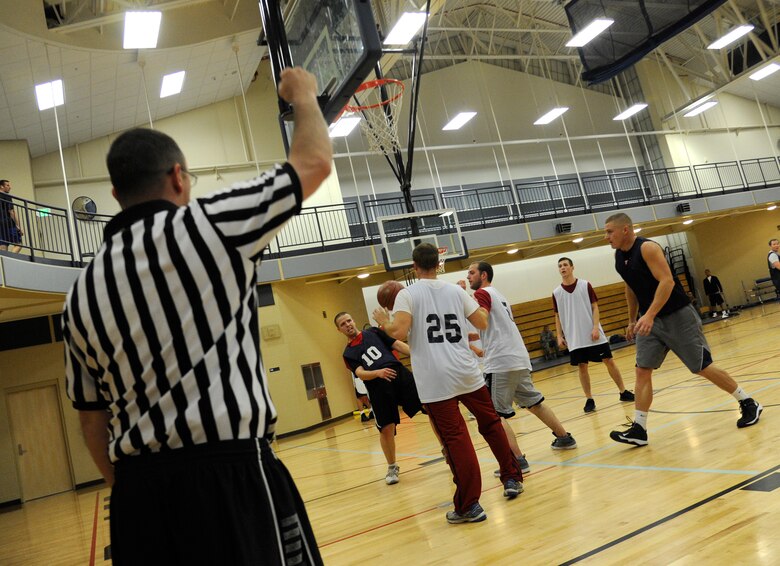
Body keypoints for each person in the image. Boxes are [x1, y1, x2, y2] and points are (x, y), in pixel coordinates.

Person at [62, 68, 330, 565]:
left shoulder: (78, 293)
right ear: (179, 178)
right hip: (228, 477)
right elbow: (312, 162)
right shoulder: (209, 225)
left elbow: (90, 418)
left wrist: (136, 487)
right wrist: (304, 96)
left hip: (137, 501)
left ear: (117, 195)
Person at [373, 243, 523, 525]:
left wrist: (384, 321)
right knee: (491, 424)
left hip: (435, 378)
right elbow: (482, 321)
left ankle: (469, 505)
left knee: (456, 440)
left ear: (414, 266)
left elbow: (399, 331)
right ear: (438, 265)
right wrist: (467, 297)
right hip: (466, 371)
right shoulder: (456, 291)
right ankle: (512, 477)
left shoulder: (407, 294)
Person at [604, 213, 763, 446]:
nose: (606, 237)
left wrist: (648, 314)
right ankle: (640, 428)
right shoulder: (619, 257)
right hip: (651, 321)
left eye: (609, 232)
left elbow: (667, 281)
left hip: (677, 315)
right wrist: (631, 320)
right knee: (642, 371)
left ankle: (748, 402)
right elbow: (631, 289)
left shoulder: (647, 248)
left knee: (701, 366)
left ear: (625, 229)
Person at [464, 261, 577, 476]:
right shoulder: (499, 295)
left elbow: (484, 321)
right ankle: (564, 437)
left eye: (472, 273)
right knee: (535, 403)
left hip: (500, 361)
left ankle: (516, 460)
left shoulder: (481, 295)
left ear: (484, 275)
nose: (468, 277)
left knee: (494, 416)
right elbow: (498, 327)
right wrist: (471, 335)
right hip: (518, 357)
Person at [335, 312, 423, 485]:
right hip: (377, 386)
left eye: (349, 320)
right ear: (339, 330)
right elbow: (360, 373)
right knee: (386, 428)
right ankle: (392, 466)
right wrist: (377, 373)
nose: (348, 324)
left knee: (428, 407)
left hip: (398, 374)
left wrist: (418, 355)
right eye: (343, 324)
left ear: (354, 320)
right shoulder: (348, 353)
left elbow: (397, 344)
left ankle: (446, 449)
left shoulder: (374, 332)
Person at [553, 257, 634, 413]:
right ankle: (589, 399)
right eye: (560, 266)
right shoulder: (556, 293)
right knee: (582, 367)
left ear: (572, 267)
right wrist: (559, 335)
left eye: (565, 265)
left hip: (593, 334)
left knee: (609, 360)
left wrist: (595, 327)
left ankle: (623, 391)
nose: (562, 268)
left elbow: (595, 307)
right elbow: (557, 315)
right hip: (574, 337)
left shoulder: (585, 285)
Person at [0, 179, 23, 253]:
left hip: (0, 225)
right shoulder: (6, 196)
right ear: (1, 186)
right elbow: (11, 212)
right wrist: (18, 225)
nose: (10, 187)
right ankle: (11, 257)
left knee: (3, 245)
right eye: (7, 185)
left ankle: (4, 262)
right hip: (8, 223)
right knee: (18, 244)